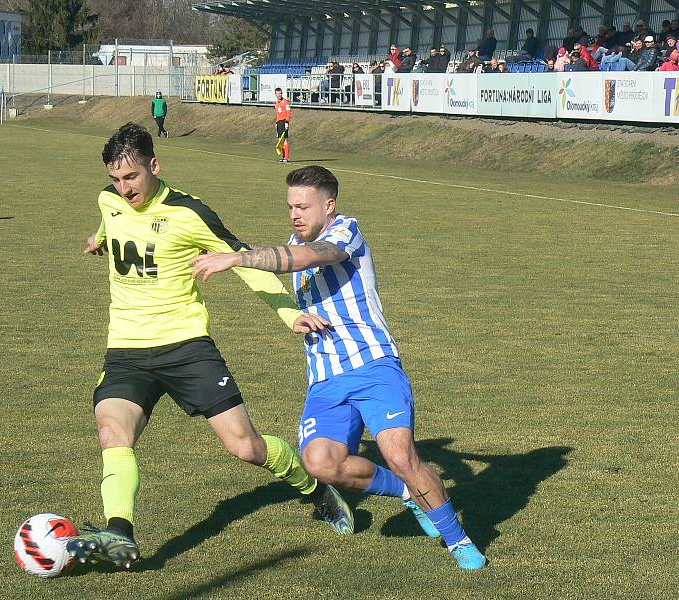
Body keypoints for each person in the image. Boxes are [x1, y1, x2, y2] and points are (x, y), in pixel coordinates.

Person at [67, 125, 354, 569]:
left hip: (186, 348)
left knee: (246, 448)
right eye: (117, 179)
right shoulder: (109, 200)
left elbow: (244, 261)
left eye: (132, 178)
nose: (124, 189)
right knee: (112, 433)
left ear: (154, 166)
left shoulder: (189, 212)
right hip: (125, 348)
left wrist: (288, 314)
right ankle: (119, 533)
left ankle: (315, 489)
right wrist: (99, 239)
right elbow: (112, 222)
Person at [190, 166, 488, 571]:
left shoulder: (346, 231)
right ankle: (406, 492)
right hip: (325, 379)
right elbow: (290, 261)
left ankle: (458, 539)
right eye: (291, 206)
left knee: (401, 454)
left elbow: (315, 255)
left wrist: (239, 257)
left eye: (303, 206)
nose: (295, 213)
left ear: (329, 206)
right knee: (320, 463)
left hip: (373, 366)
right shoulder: (294, 242)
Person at [274, 87, 291, 163]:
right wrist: (276, 122)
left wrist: (287, 122)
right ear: (275, 94)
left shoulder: (286, 102)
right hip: (279, 122)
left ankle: (286, 158)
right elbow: (278, 114)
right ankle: (283, 157)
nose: (279, 95)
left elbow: (288, 113)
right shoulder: (277, 103)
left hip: (284, 122)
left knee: (284, 140)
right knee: (280, 140)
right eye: (277, 93)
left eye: (280, 93)